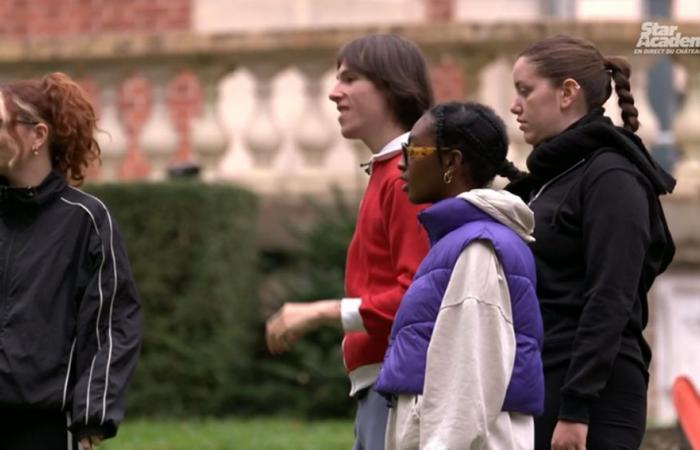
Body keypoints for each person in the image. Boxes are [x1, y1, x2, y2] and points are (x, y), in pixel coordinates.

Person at [506, 35, 676, 450]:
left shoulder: (611, 176)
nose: (515, 106)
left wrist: (576, 408)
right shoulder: (552, 179)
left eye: (525, 92)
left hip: (591, 401)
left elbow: (611, 297)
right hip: (543, 383)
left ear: (567, 93)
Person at [265, 34, 433, 449]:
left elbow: (418, 297)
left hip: (399, 384)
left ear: (392, 88)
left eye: (350, 79)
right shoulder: (392, 170)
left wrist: (320, 312)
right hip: (384, 382)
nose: (333, 92)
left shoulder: (407, 176)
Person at [374, 101, 544, 450]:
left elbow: (468, 381)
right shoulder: (459, 242)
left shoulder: (477, 248)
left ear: (451, 162)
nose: (402, 164)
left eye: (413, 149)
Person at [0, 72, 142, 450]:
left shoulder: (86, 221)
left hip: (45, 426)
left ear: (37, 135)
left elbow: (112, 324)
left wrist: (91, 416)